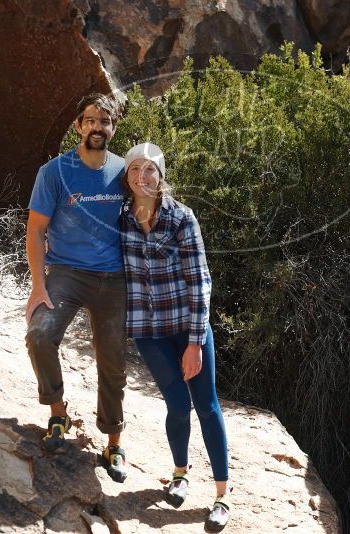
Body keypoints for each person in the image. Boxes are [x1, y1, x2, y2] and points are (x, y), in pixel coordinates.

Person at [119, 143, 231, 532]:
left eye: (150, 170)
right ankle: (180, 475)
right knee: (176, 406)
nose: (142, 177)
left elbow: (201, 281)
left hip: (187, 327)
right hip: (149, 332)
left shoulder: (182, 218)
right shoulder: (121, 220)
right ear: (127, 177)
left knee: (207, 406)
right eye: (135, 170)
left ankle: (221, 496)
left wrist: (195, 342)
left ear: (161, 176)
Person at [25, 93, 129, 482]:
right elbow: (35, 230)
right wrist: (38, 286)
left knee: (113, 363)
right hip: (67, 272)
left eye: (104, 121)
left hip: (114, 278)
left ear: (113, 128)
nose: (96, 127)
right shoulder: (54, 172)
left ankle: (113, 442)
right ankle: (57, 414)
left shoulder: (124, 172)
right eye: (90, 120)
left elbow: (147, 216)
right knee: (39, 335)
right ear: (78, 126)